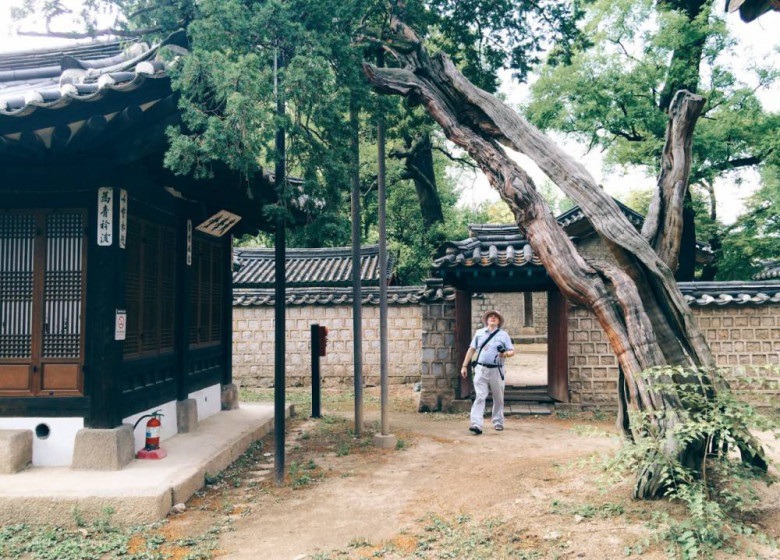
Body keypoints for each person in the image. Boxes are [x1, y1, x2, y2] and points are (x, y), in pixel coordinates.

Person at [460, 309, 514, 434]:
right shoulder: (479, 333)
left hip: (497, 369)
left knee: (498, 397)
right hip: (481, 369)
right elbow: (471, 350)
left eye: (496, 317)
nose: (493, 318)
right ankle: (476, 424)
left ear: (499, 321)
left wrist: (505, 354)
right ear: (487, 320)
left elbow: (512, 351)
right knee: (480, 396)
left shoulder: (504, 335)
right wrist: (464, 366)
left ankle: (498, 421)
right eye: (490, 316)